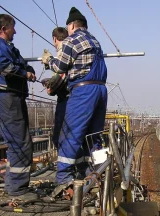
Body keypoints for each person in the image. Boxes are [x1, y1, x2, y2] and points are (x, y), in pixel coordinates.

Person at [42, 7, 108, 186]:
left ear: (71, 25)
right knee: (93, 136)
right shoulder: (95, 41)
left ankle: (63, 178)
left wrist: (48, 60)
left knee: (70, 134)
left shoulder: (71, 40)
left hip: (83, 91)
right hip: (101, 90)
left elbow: (60, 67)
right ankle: (96, 173)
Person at [0, 14, 37, 200]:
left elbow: (21, 64)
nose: (15, 30)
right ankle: (17, 189)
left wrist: (28, 70)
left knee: (20, 143)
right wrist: (25, 74)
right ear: (3, 29)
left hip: (13, 98)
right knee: (20, 144)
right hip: (6, 98)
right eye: (12, 27)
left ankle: (14, 185)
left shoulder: (8, 48)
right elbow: (4, 67)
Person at [41, 27, 69, 149]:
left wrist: (51, 87)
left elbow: (62, 74)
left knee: (59, 138)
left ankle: (66, 166)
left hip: (66, 100)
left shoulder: (62, 52)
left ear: (54, 39)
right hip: (75, 99)